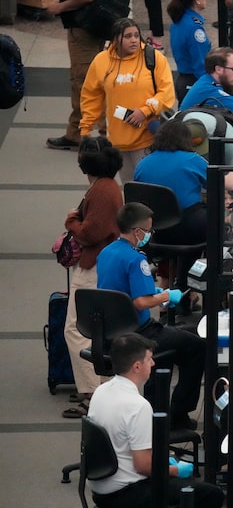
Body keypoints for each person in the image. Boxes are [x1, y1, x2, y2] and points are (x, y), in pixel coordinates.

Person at [97, 202, 206, 430]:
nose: (150, 234)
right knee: (197, 347)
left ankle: (156, 411)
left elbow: (119, 289)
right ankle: (178, 415)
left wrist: (154, 292)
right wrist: (166, 294)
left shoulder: (106, 253)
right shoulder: (136, 259)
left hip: (111, 331)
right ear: (137, 231)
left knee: (169, 348)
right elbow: (141, 301)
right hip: (139, 331)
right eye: (148, 230)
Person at [87, 332, 224, 508]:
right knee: (212, 495)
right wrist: (175, 471)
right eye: (149, 359)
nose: (152, 363)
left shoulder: (101, 391)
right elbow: (143, 466)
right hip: (125, 493)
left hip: (101, 487)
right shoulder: (138, 406)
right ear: (137, 366)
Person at [61, 136, 124, 419]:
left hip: (93, 264)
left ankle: (92, 392)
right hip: (104, 261)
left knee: (76, 328)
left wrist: (71, 221)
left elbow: (90, 232)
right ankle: (99, 388)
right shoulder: (109, 186)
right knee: (96, 329)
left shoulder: (100, 191)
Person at [79, 17, 176, 182]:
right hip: (117, 140)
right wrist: (85, 129)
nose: (134, 40)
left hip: (147, 139)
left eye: (136, 35)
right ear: (116, 39)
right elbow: (91, 97)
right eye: (128, 36)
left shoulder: (153, 58)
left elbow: (166, 93)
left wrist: (145, 111)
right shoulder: (101, 61)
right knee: (129, 188)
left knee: (149, 187)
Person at [134, 120, 207, 313]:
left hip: (155, 233)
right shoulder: (193, 160)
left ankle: (174, 292)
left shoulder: (143, 164)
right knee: (212, 227)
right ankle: (190, 288)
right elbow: (218, 182)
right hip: (190, 231)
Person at [46, 0, 109, 150]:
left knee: (87, 83)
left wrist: (60, 7)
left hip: (83, 28)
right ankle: (75, 133)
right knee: (82, 80)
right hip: (94, 25)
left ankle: (101, 135)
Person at [167, 0, 212, 104]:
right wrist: (212, 86)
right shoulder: (194, 28)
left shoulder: (178, 22)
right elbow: (200, 63)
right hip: (195, 82)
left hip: (183, 81)